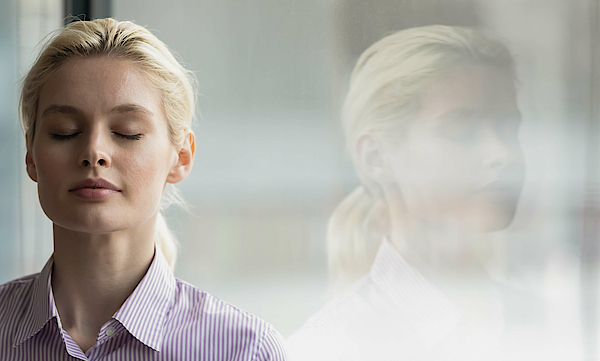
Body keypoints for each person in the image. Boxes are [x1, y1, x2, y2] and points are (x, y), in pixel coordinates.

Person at [0, 18, 287, 361]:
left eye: (128, 132)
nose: (94, 152)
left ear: (180, 157)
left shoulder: (243, 350)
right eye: (65, 131)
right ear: (30, 156)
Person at [287, 25, 569, 360]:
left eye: (510, 128)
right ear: (376, 158)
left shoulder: (546, 326)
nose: (502, 154)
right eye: (462, 130)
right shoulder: (329, 348)